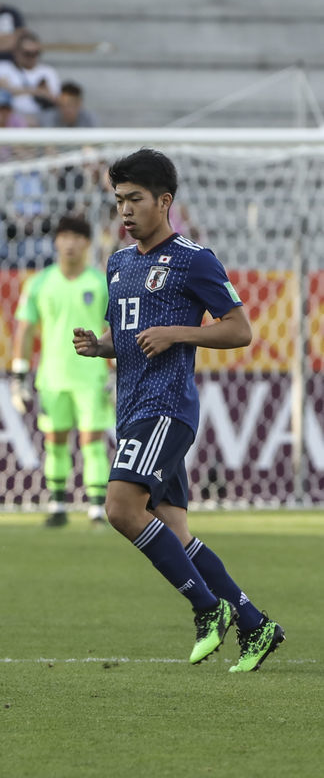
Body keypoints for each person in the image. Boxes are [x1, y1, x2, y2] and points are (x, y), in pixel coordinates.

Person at [73, 149, 284, 673]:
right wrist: (100, 345)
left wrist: (178, 333)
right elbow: (130, 337)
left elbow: (239, 329)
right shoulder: (118, 263)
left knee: (121, 509)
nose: (124, 210)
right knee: (174, 528)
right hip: (133, 409)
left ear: (164, 201)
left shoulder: (193, 258)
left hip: (167, 408)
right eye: (118, 200)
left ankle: (208, 609)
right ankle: (255, 625)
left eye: (135, 199)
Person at [10, 215, 111, 526]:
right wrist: (19, 377)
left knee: (92, 439)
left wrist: (118, 373)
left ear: (87, 243)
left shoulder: (100, 283)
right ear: (56, 242)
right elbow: (25, 330)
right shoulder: (39, 283)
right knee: (55, 440)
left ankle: (96, 506)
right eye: (64, 236)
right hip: (52, 376)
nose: (70, 243)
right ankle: (57, 504)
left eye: (77, 237)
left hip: (92, 376)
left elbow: (114, 329)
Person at [0, 31, 59, 123]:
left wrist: (18, 90)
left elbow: (53, 97)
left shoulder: (48, 71)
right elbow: (2, 90)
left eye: (36, 53)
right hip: (11, 117)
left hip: (41, 117)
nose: (32, 57)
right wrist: (36, 91)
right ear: (16, 52)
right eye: (27, 53)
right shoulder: (3, 67)